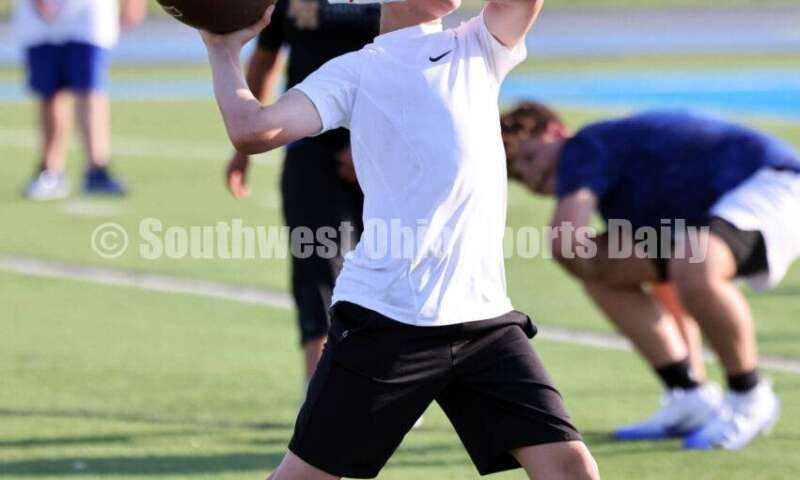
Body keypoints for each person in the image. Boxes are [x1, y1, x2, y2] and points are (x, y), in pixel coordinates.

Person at [202, 1, 600, 479]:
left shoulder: (477, 45)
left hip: (482, 321)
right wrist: (222, 48)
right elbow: (253, 129)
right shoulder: (354, 71)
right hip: (387, 321)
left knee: (570, 465)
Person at [501, 102, 800, 449]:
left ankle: (749, 395)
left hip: (772, 183)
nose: (531, 177)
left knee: (683, 260)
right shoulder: (622, 192)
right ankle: (690, 396)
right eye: (518, 175)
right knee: (603, 270)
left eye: (530, 158)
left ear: (555, 131)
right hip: (724, 206)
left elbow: (565, 240)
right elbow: (669, 290)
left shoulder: (586, 146)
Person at [224, 0, 380, 389]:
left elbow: (417, 67)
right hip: (311, 148)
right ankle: (319, 393)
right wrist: (244, 148)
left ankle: (390, 387)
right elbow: (266, 57)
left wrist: (373, 146)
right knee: (316, 268)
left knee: (393, 272)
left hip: (386, 151)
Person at [14, 0, 146, 201]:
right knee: (50, 91)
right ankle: (51, 170)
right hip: (39, 15)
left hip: (88, 10)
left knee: (90, 87)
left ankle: (97, 168)